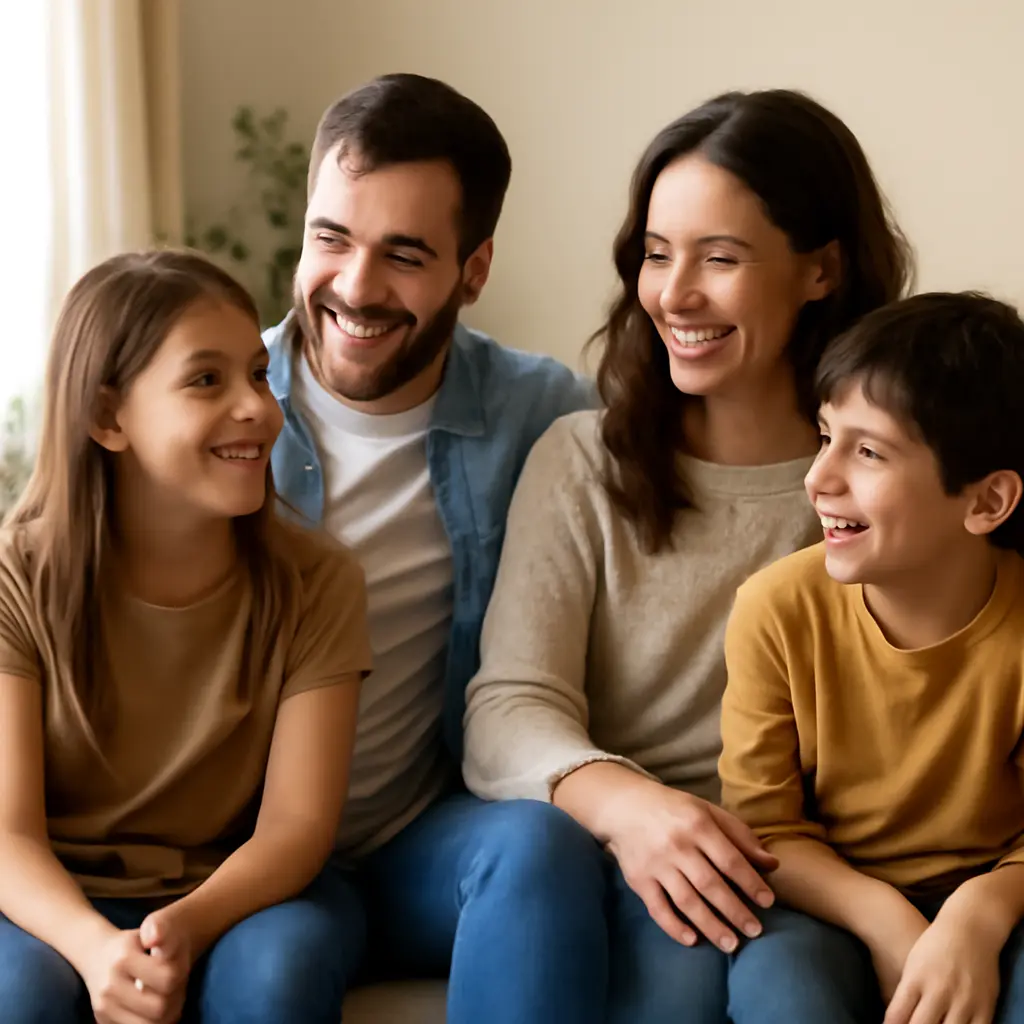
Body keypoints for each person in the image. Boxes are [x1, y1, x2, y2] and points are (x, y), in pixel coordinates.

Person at [463, 88, 914, 1022]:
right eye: (658, 255)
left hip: (818, 868)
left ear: (822, 270)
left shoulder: (892, 482)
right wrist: (634, 809)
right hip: (627, 861)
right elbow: (511, 706)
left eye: (721, 258)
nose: (675, 294)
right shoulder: (583, 460)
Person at [265, 74, 605, 1021]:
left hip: (427, 837)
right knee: (272, 969)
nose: (356, 287)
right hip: (249, 847)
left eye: (404, 255)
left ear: (475, 268)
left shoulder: (548, 413)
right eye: (330, 238)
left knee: (541, 844)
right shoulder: (222, 409)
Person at [0, 250, 372, 1024]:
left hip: (240, 890)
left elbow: (297, 830)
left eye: (258, 374)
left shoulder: (320, 580)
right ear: (108, 417)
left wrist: (181, 929)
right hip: (54, 892)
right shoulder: (16, 577)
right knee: (23, 994)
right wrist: (96, 946)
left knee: (281, 974)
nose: (259, 408)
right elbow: (8, 832)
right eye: (207, 381)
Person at [721, 292, 1024, 1024]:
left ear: (986, 503)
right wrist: (886, 920)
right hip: (823, 898)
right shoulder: (775, 609)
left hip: (997, 897)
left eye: (867, 451)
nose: (819, 477)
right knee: (782, 995)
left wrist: (980, 912)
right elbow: (766, 829)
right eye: (826, 435)